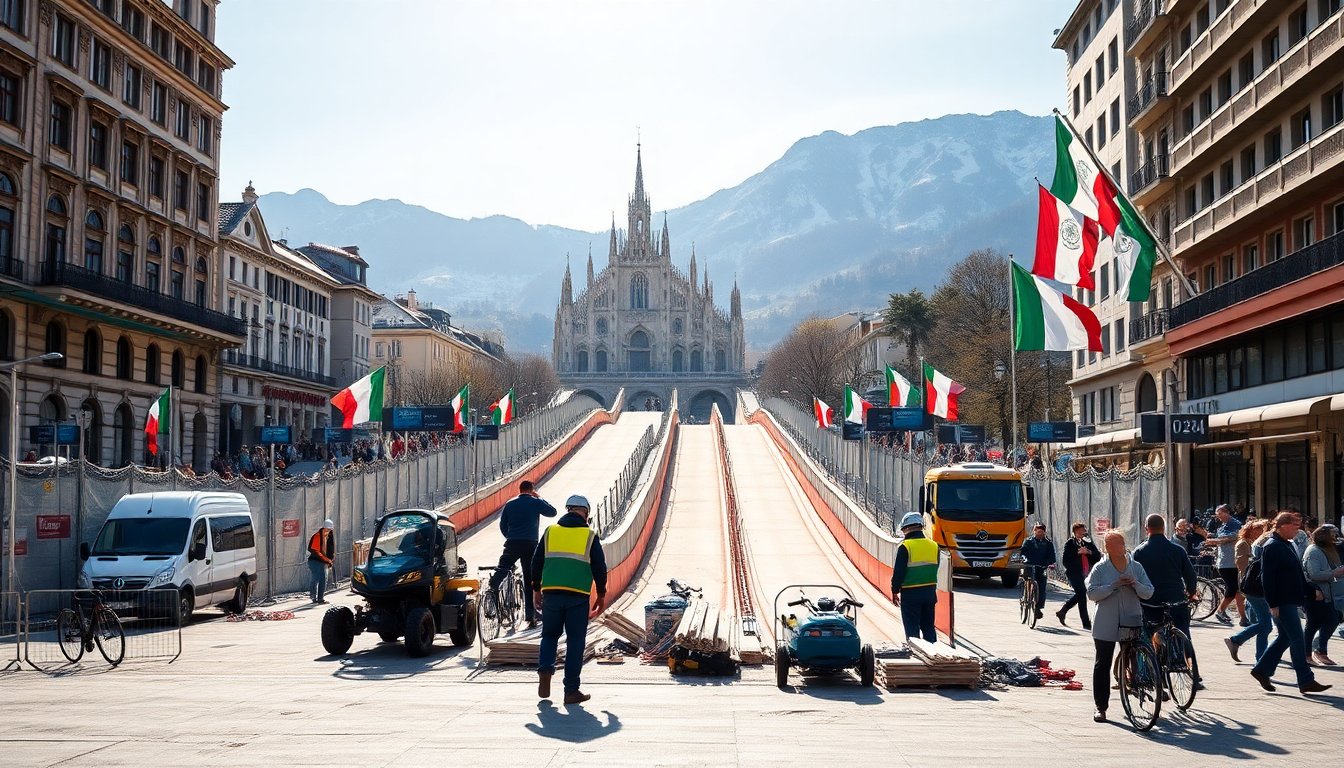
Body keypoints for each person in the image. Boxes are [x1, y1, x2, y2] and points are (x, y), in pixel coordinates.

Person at [532, 494, 607, 705]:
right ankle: (571, 690)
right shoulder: (589, 535)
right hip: (578, 596)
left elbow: (536, 563)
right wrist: (601, 594)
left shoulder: (550, 532)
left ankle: (545, 670)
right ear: (585, 513)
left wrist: (537, 589)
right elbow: (600, 568)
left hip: (552, 593)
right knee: (575, 641)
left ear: (568, 510)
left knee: (549, 635)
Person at [1250, 511, 1332, 694]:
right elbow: (1267, 579)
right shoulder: (1272, 546)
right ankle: (1305, 680)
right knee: (1297, 639)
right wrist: (1273, 604)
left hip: (1288, 600)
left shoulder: (1285, 545)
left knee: (1286, 637)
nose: (1298, 529)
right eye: (1295, 526)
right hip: (1281, 602)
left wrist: (1311, 591)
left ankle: (1262, 670)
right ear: (1283, 526)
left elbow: (1296, 575)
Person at [1086, 529, 1154, 723]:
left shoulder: (1136, 567)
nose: (1112, 548)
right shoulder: (1100, 568)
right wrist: (1112, 586)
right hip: (1105, 622)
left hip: (1131, 618)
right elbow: (1091, 593)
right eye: (1108, 545)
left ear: (1123, 545)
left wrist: (1135, 585)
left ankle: (1137, 687)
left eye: (1116, 544)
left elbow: (1148, 592)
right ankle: (1101, 707)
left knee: (1133, 654)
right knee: (1102, 663)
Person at [1132, 513, 1202, 689]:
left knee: (1148, 635)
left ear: (1146, 528)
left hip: (1151, 602)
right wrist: (1192, 593)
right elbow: (1191, 576)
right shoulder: (1178, 550)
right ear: (1164, 528)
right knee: (1183, 632)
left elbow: (1134, 577)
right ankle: (1192, 672)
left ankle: (1151, 673)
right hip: (1176, 600)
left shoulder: (1139, 552)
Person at [492, 480, 558, 628]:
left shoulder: (510, 503)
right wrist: (539, 497)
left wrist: (510, 536)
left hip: (512, 543)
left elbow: (503, 525)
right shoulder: (535, 502)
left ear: (520, 490)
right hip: (530, 545)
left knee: (503, 567)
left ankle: (493, 586)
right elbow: (552, 512)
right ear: (531, 490)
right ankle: (530, 615)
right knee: (530, 579)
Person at [1225, 519, 1273, 663]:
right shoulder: (1243, 544)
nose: (1262, 531)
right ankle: (1236, 639)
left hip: (1257, 587)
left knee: (1263, 625)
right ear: (1251, 530)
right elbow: (1242, 565)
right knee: (1265, 624)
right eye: (1259, 529)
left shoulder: (1255, 543)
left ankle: (1261, 656)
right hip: (1253, 587)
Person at [890, 511, 938, 643]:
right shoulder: (934, 546)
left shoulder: (905, 547)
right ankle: (934, 655)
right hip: (929, 593)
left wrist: (895, 590)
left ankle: (916, 655)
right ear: (921, 526)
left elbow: (898, 572)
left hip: (911, 594)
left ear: (905, 529)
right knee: (928, 627)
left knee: (912, 629)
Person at [1302, 523, 1344, 666]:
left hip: (1327, 594)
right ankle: (1308, 654)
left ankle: (1318, 652)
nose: (1335, 537)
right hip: (1315, 593)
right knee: (1316, 623)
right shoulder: (1313, 551)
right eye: (1332, 534)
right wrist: (1334, 573)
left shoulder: (1326, 550)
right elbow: (1314, 574)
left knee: (1331, 619)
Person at [1201, 505, 1244, 625]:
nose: (1218, 517)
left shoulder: (1235, 524)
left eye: (1219, 514)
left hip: (1231, 561)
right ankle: (1224, 612)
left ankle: (1241, 616)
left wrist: (1214, 541)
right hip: (1225, 562)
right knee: (1234, 588)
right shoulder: (1222, 526)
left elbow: (1232, 537)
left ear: (1226, 512)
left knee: (1235, 590)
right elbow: (1222, 541)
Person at [1058, 521, 1100, 629]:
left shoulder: (1087, 542)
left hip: (1086, 573)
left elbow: (1097, 556)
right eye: (1081, 531)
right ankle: (1086, 623)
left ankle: (1063, 610)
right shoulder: (1070, 543)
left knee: (1081, 594)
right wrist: (1078, 553)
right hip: (1074, 573)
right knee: (1082, 594)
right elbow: (1065, 561)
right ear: (1075, 532)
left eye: (1084, 531)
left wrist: (1088, 552)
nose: (1083, 533)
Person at [1019, 523, 1056, 620]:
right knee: (1029, 579)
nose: (1040, 533)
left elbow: (1052, 556)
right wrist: (1024, 559)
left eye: (1042, 532)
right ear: (1034, 531)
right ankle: (1026, 596)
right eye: (1038, 531)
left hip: (1041, 567)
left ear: (1044, 532)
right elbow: (1023, 553)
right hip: (1030, 566)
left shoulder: (1048, 543)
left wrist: (1050, 563)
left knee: (1041, 587)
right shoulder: (1028, 541)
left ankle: (1038, 607)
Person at [307, 519, 334, 605]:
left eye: (330, 530)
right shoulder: (318, 536)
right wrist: (327, 560)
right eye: (327, 529)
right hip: (315, 561)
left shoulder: (328, 537)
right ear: (324, 528)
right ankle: (316, 598)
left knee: (322, 579)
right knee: (317, 579)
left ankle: (317, 598)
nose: (328, 531)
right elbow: (315, 551)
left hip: (322, 561)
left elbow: (330, 550)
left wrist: (329, 560)